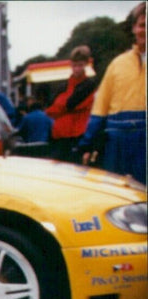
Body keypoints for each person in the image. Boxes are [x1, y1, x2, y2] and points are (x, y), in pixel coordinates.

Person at [77, 2, 146, 183]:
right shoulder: (117, 64)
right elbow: (100, 108)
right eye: (143, 25)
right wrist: (87, 143)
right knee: (115, 198)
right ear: (134, 28)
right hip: (117, 143)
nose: (145, 31)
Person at [45, 46, 97, 162]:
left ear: (86, 64)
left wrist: (60, 105)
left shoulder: (89, 85)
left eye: (80, 65)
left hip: (77, 136)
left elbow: (69, 104)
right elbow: (50, 109)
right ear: (70, 64)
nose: (77, 69)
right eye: (74, 65)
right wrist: (63, 106)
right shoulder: (65, 85)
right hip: (61, 136)